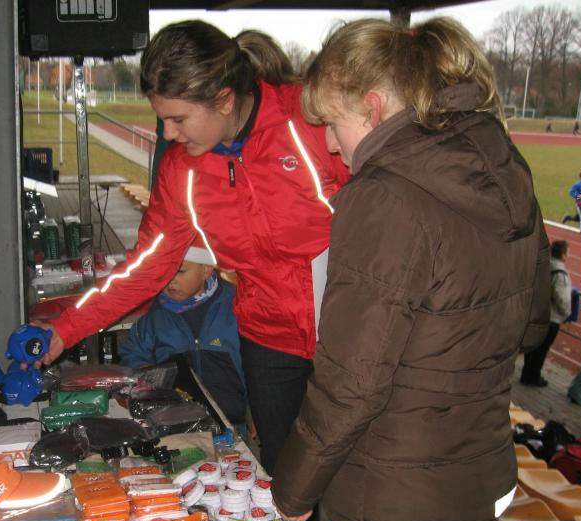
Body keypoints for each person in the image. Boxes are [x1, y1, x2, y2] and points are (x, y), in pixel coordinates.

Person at [270, 17, 549, 521]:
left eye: (332, 124)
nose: (329, 144)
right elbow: (530, 326)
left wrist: (293, 490)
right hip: (470, 480)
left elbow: (352, 382)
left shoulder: (383, 195)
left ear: (372, 107)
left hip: (389, 496)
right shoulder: (503, 167)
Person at [32, 21, 349, 476]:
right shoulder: (183, 172)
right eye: (162, 119)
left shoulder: (310, 122)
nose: (168, 133)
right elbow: (146, 266)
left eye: (178, 119)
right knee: (286, 471)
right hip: (269, 338)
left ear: (224, 99)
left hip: (349, 330)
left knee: (356, 470)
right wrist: (67, 329)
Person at [118, 243, 247, 430]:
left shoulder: (236, 307)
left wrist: (259, 412)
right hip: (174, 423)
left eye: (180, 271)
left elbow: (256, 366)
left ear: (206, 269)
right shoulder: (154, 316)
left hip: (232, 422)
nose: (170, 280)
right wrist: (142, 371)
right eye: (165, 271)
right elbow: (133, 353)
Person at [520, 240, 572, 386]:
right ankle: (532, 376)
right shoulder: (560, 274)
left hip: (535, 312)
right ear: (563, 255)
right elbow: (562, 299)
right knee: (541, 350)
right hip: (550, 317)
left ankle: (527, 373)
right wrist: (567, 313)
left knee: (532, 348)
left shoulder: (542, 265)